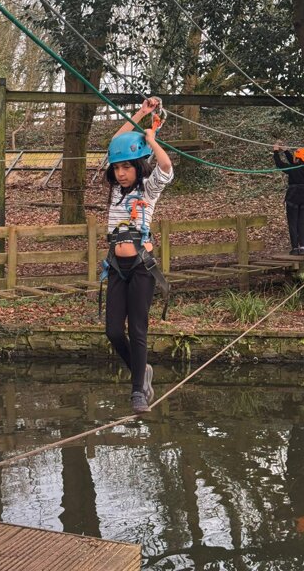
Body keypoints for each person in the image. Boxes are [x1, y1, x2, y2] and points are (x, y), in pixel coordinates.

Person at [103, 98, 173, 414]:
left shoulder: (148, 189)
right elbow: (116, 143)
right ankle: (141, 370)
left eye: (126, 167)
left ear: (138, 166)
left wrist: (151, 139)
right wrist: (141, 113)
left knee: (138, 329)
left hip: (142, 267)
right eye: (117, 168)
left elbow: (165, 166)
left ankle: (138, 393)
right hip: (117, 266)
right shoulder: (115, 191)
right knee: (113, 331)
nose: (121, 173)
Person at [273, 142, 304, 255]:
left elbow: (280, 164)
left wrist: (276, 151)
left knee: (293, 222)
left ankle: (295, 247)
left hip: (293, 195)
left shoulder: (293, 168)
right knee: (301, 222)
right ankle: (302, 247)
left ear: (298, 159)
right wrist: (285, 150)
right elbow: (295, 162)